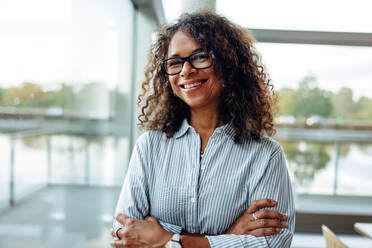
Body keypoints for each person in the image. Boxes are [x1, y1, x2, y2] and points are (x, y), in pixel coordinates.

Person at [111, 11, 295, 248]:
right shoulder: (149, 146)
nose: (185, 71)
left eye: (199, 57)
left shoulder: (266, 155)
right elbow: (124, 235)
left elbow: (273, 244)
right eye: (175, 62)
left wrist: (164, 239)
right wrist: (230, 235)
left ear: (228, 64)